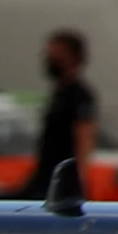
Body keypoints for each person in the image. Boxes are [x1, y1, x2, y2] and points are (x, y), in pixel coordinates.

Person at [32, 29, 97, 198]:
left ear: (74, 59)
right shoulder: (58, 93)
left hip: (64, 178)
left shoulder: (79, 95)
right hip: (45, 175)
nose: (50, 60)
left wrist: (80, 180)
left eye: (57, 55)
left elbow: (84, 137)